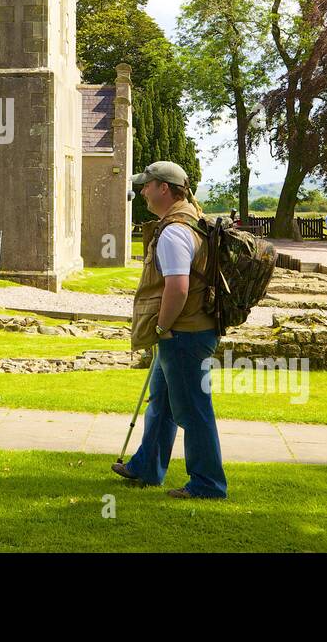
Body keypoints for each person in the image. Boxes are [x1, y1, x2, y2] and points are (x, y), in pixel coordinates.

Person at [111, 161, 228, 500]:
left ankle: (208, 485)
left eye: (147, 185)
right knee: (161, 402)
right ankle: (147, 466)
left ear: (164, 188)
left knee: (193, 410)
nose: (143, 191)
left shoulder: (174, 231)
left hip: (182, 335)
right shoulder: (192, 221)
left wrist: (161, 327)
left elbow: (177, 287)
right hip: (191, 331)